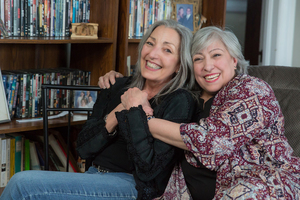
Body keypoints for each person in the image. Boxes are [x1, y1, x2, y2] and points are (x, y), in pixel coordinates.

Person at [0, 19, 196, 200]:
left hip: (132, 186)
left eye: (167, 50)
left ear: (180, 64)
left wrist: (135, 109)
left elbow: (149, 170)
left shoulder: (179, 100)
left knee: (21, 185)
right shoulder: (118, 85)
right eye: (150, 43)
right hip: (93, 176)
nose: (153, 54)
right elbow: (84, 148)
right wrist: (121, 108)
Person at [98, 26, 300, 199]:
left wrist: (140, 117)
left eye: (216, 55)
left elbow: (213, 142)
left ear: (234, 60)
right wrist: (119, 80)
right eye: (198, 58)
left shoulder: (251, 89)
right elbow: (157, 80)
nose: (207, 66)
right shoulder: (187, 97)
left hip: (263, 185)